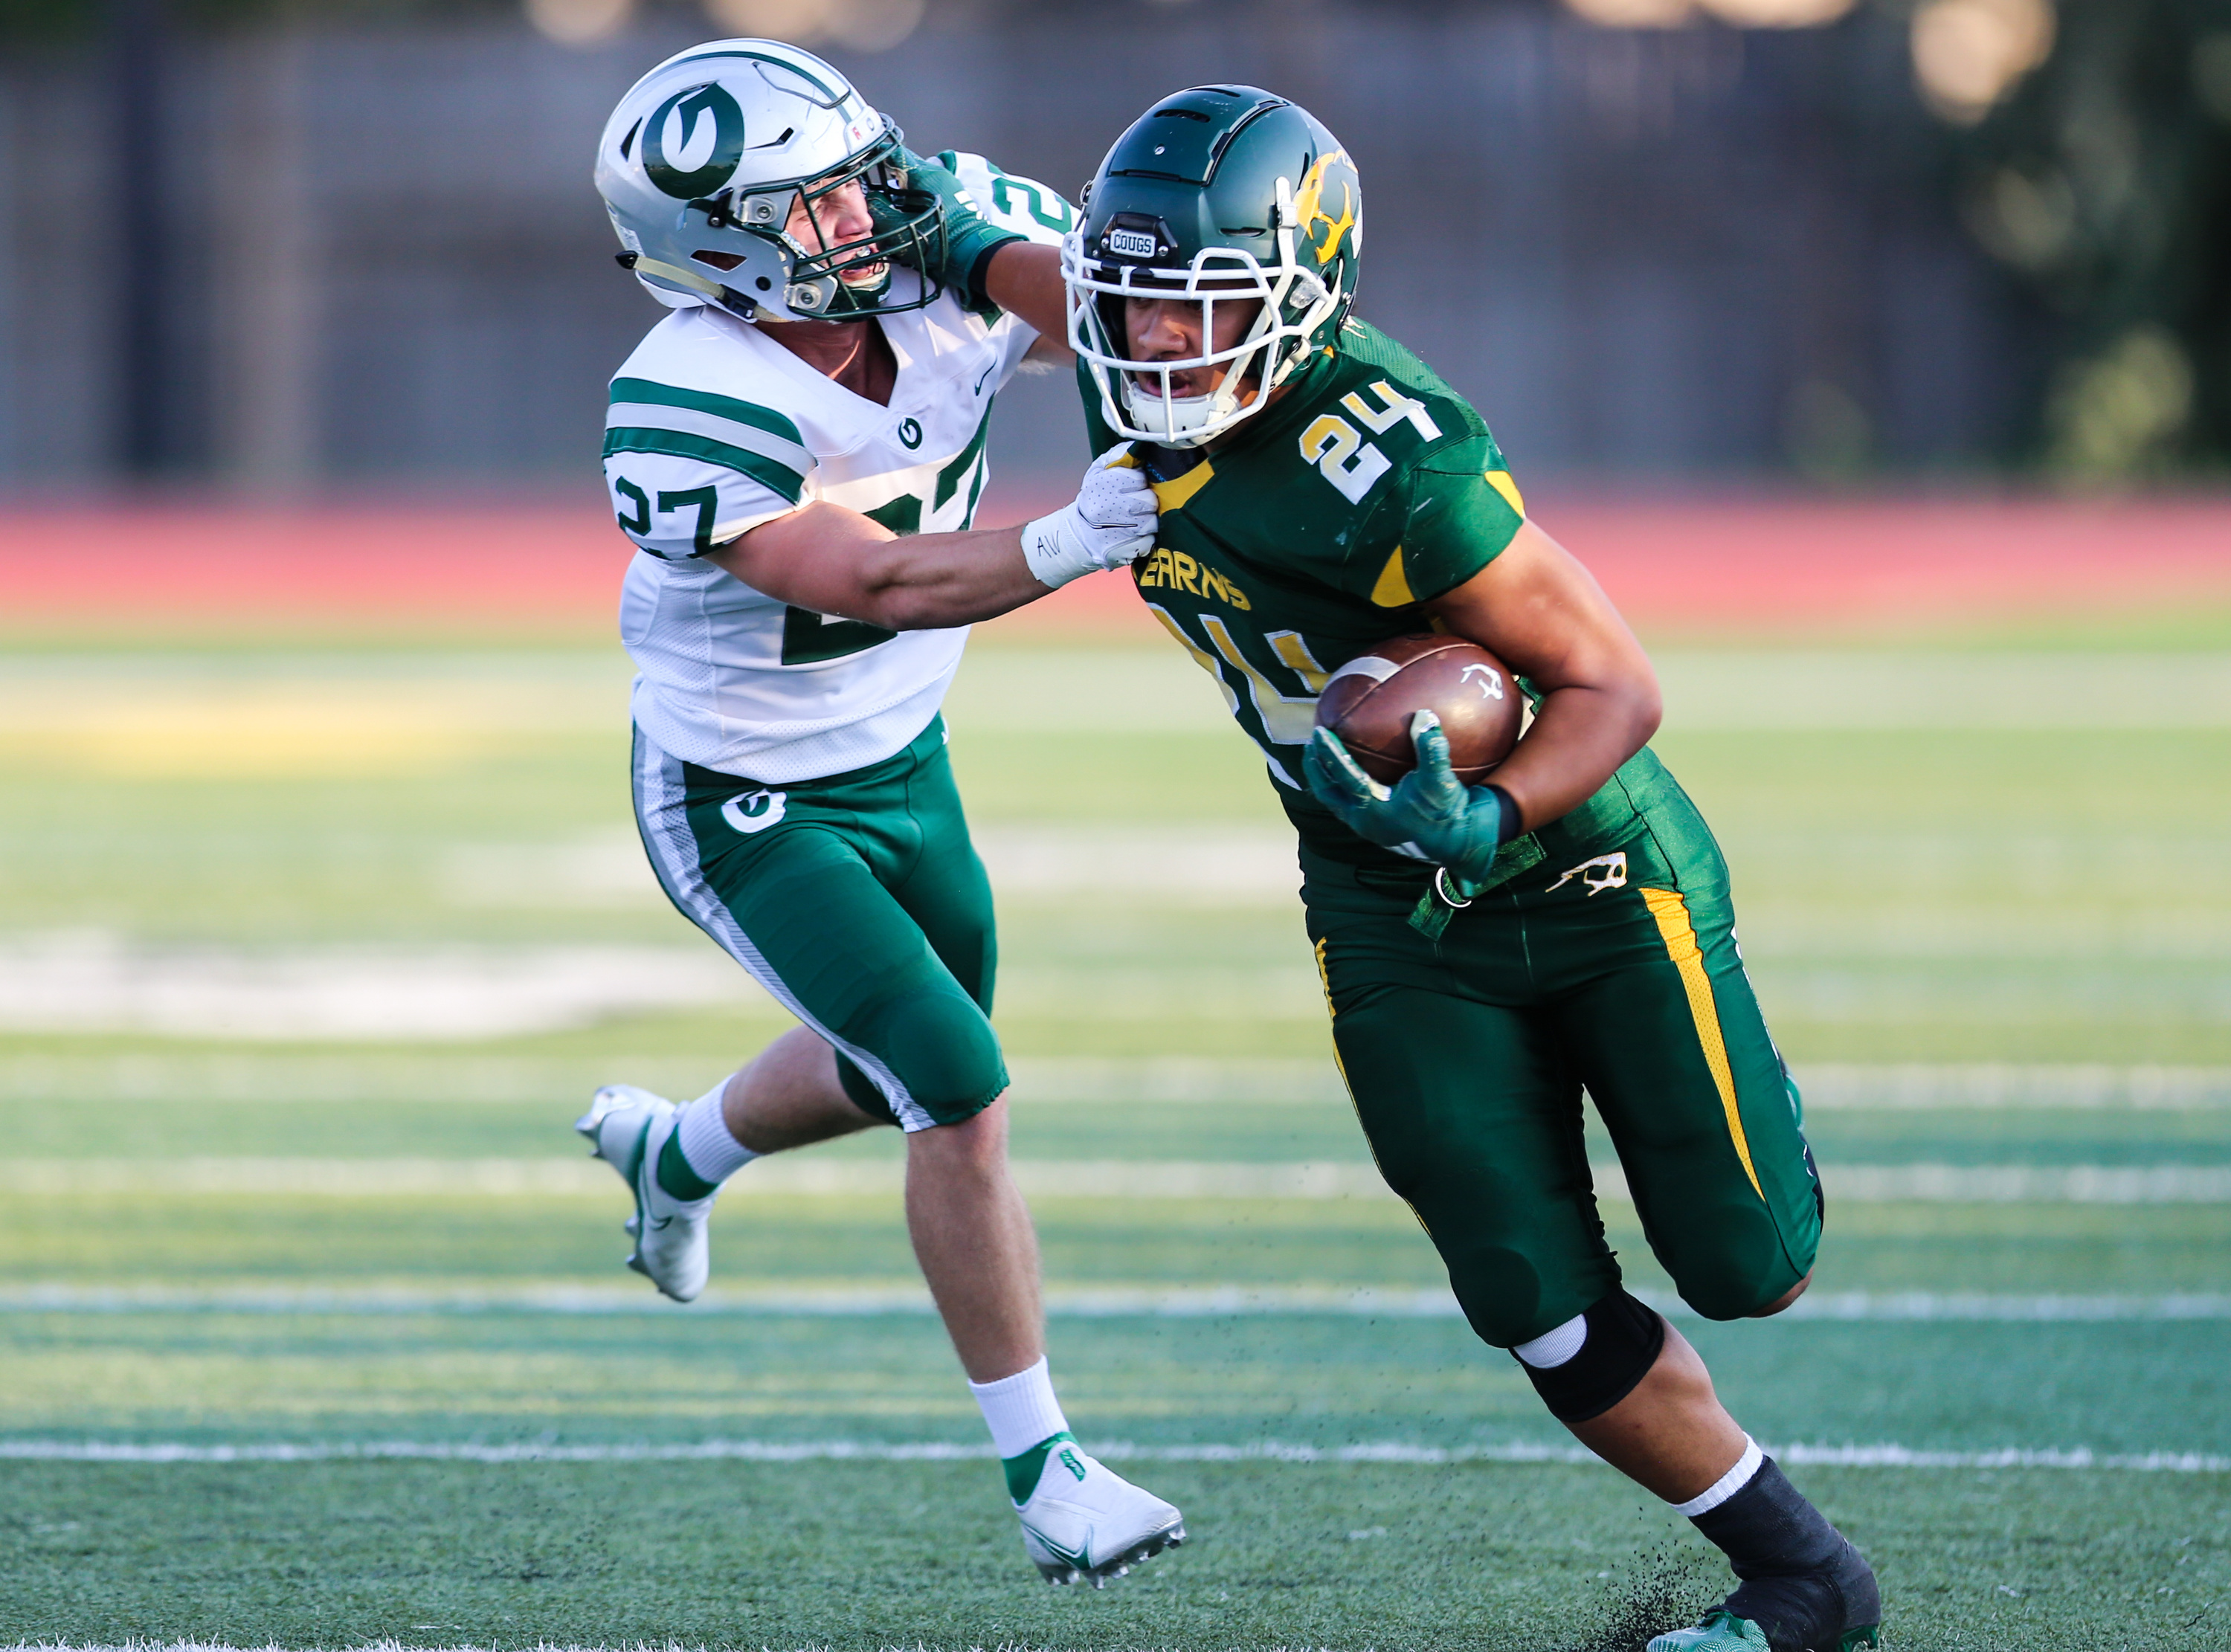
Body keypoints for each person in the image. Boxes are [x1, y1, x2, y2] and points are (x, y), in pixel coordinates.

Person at [1035, 85, 1881, 1652]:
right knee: (1524, 1286)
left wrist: (1489, 817)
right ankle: (1804, 1576)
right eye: (1132, 301)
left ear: (1302, 297)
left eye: (1199, 306)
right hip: (1380, 896)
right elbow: (983, 252)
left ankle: (1751, 1129)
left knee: (1748, 1264)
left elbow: (1616, 683)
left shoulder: (1394, 464)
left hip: (1578, 862)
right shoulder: (1120, 349)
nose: (1154, 342)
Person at [577, 38, 1182, 1587]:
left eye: (854, 176)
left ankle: (678, 1155)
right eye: (814, 203)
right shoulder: (687, 397)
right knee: (956, 1086)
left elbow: (1095, 305)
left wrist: (1000, 263)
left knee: (899, 1062)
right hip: (744, 792)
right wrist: (1068, 541)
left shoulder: (920, 235)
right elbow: (882, 579)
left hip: (908, 748)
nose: (863, 212)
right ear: (719, 251)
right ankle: (1048, 1474)